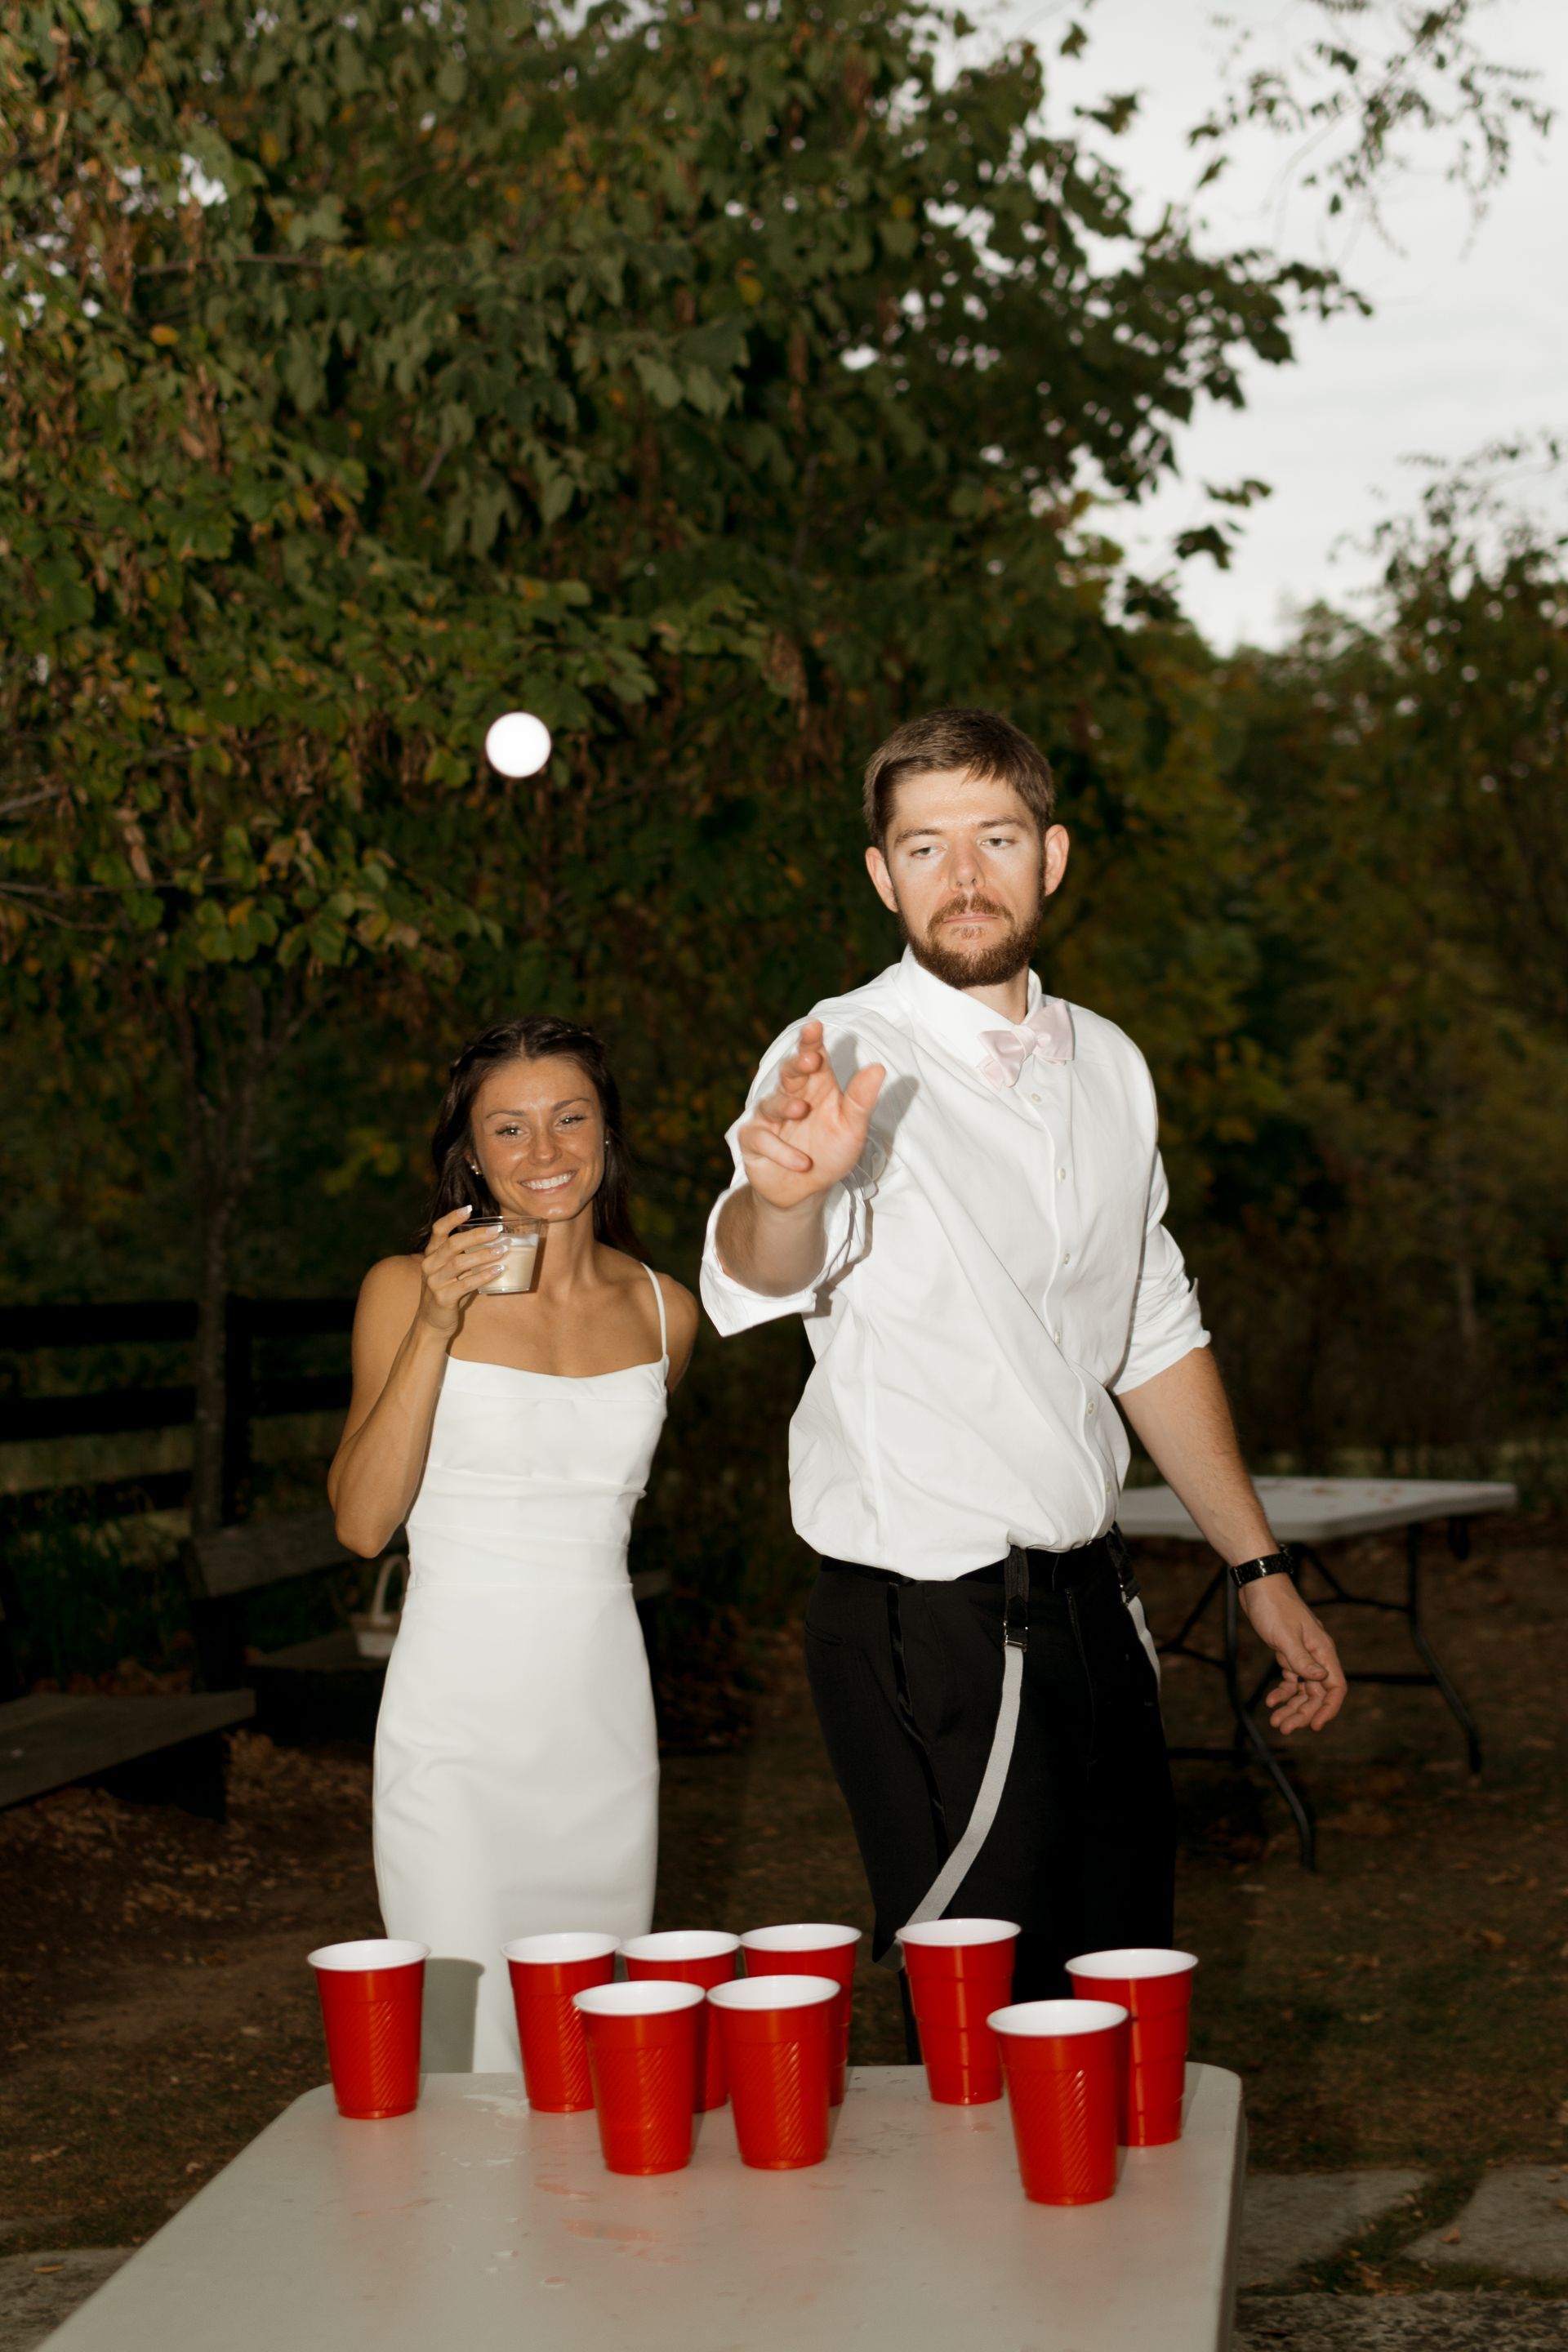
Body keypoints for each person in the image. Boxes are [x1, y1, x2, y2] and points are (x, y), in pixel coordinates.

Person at [701, 707, 1347, 2011]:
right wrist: (783, 1195)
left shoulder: (1107, 1062)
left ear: (1050, 854)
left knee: (1121, 1992)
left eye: (993, 837)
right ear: (883, 877)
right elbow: (765, 1268)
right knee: (994, 2030)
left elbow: (1151, 1329)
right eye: (925, 847)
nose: (964, 877)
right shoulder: (840, 1054)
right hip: (930, 1612)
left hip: (1093, 1607)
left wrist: (1258, 1569)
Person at [329, 1015, 697, 2071]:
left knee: (595, 2049)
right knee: (461, 2049)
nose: (544, 1153)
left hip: (601, 1730)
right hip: (456, 1734)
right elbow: (362, 1526)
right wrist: (439, 1325)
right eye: (510, 1129)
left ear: (608, 1131)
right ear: (472, 1153)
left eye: (569, 1117)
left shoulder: (668, 1313)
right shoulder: (404, 1289)